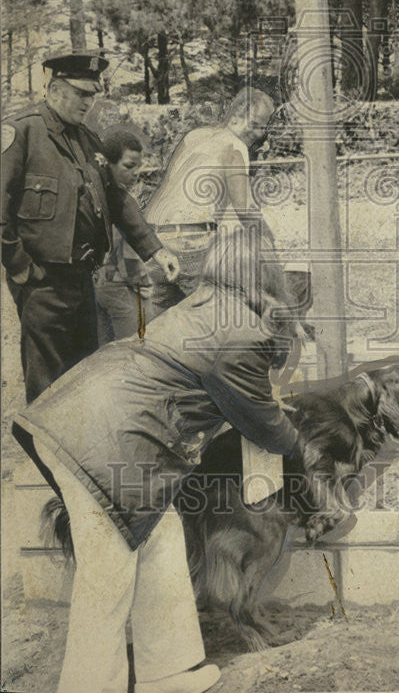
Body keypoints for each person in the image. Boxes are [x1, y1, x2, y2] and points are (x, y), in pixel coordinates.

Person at [12, 227, 302, 693]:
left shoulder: (202, 304)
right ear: (265, 274)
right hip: (103, 442)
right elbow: (266, 425)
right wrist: (297, 432)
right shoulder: (241, 330)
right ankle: (88, 686)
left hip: (80, 418)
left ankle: (168, 671)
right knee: (108, 570)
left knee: (160, 539)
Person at [1, 53, 179, 401]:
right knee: (49, 386)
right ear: (54, 89)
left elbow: (118, 200)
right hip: (43, 282)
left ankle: (72, 456)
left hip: (83, 279)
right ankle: (41, 455)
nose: (89, 101)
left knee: (82, 379)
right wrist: (20, 267)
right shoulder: (21, 132)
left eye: (92, 94)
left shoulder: (88, 140)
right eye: (81, 93)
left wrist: (155, 249)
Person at [143, 87, 277, 317]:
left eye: (263, 127)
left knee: (157, 329)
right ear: (235, 115)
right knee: (216, 319)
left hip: (153, 243)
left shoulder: (194, 135)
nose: (259, 133)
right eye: (254, 124)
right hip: (191, 242)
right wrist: (269, 243)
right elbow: (244, 209)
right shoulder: (235, 146)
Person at [94, 128, 154, 344]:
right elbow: (123, 250)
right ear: (107, 163)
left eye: (138, 167)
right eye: (129, 167)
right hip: (117, 282)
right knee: (132, 349)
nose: (136, 173)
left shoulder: (97, 192)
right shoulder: (116, 200)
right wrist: (143, 285)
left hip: (98, 282)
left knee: (102, 351)